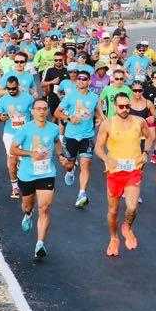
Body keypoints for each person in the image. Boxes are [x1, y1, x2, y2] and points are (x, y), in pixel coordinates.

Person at [10, 98, 73, 260]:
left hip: (47, 173)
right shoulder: (25, 129)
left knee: (44, 208)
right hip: (27, 174)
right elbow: (14, 150)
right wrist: (32, 154)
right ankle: (28, 214)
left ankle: (40, 244)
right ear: (32, 111)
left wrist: (60, 156)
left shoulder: (53, 128)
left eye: (44, 108)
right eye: (38, 109)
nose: (42, 111)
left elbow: (56, 143)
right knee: (27, 205)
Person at [94, 92, 151, 256]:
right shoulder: (107, 124)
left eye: (127, 106)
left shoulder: (139, 122)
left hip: (133, 170)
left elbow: (150, 137)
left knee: (132, 207)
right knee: (113, 211)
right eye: (121, 106)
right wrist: (106, 158)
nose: (125, 109)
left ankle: (126, 226)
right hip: (115, 172)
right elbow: (98, 147)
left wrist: (146, 152)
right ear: (115, 107)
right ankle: (114, 238)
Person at [55, 71, 103, 209]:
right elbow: (57, 113)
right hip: (71, 136)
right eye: (79, 79)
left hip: (87, 137)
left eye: (84, 79)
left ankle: (82, 193)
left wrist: (101, 121)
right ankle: (70, 171)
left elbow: (101, 115)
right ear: (76, 82)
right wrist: (69, 118)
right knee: (69, 164)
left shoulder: (94, 97)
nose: (81, 81)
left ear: (89, 82)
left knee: (85, 165)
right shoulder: (70, 97)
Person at [0, 76, 34, 199]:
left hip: (26, 134)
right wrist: (0, 118)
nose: (11, 91)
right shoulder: (3, 100)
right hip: (10, 134)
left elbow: (36, 115)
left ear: (18, 86)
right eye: (9, 88)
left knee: (27, 159)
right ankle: (15, 186)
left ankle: (27, 181)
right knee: (12, 161)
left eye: (14, 88)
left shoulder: (28, 98)